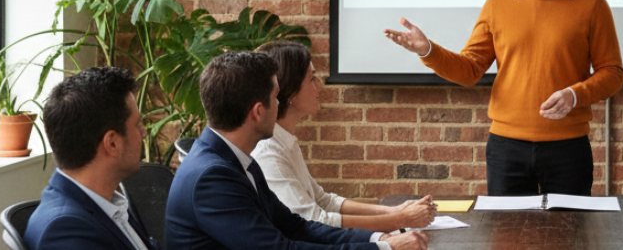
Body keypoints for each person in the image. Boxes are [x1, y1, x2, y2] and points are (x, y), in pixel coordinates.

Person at [383, 0, 623, 196]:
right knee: (506, 239)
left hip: (568, 149)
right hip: (506, 150)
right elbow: (470, 70)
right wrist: (428, 51)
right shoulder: (498, 3)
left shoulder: (592, 4)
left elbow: (613, 73)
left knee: (570, 239)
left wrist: (575, 94)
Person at [166, 51, 428, 250]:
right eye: (275, 98)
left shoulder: (238, 161)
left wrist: (377, 239)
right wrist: (384, 246)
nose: (278, 106)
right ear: (258, 112)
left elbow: (296, 226)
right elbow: (281, 248)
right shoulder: (212, 178)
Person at [252, 41, 437, 231]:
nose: (319, 85)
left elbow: (324, 201)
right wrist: (400, 219)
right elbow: (314, 221)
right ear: (290, 90)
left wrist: (393, 211)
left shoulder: (286, 142)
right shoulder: (268, 154)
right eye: (311, 78)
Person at [24, 67, 157, 250]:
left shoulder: (108, 204)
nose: (143, 133)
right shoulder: (65, 232)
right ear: (112, 144)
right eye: (136, 124)